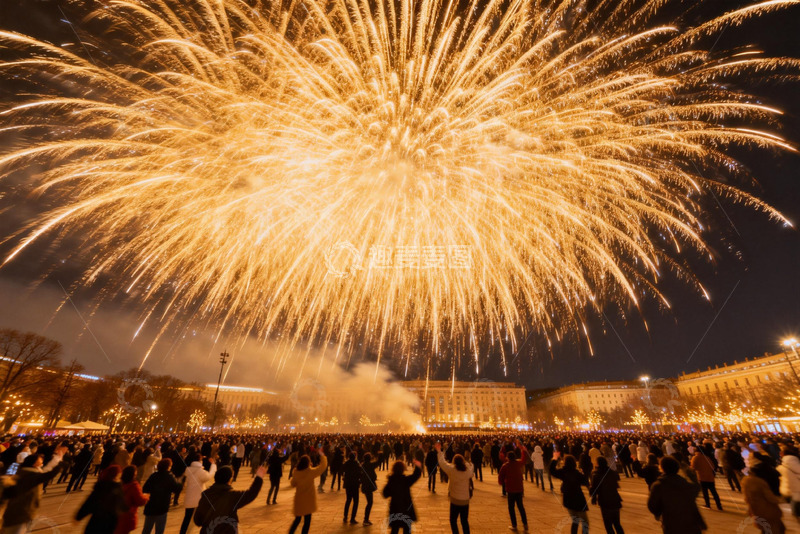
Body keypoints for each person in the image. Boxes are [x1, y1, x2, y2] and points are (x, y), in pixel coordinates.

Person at [2, 446, 65, 533]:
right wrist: (60, 463)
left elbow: (47, 470)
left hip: (20, 511)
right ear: (34, 463)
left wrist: (58, 460)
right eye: (40, 460)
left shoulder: (27, 472)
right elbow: (48, 475)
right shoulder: (30, 475)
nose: (42, 461)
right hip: (20, 513)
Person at [194, 465, 265, 534]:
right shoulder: (232, 496)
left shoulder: (206, 494)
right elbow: (250, 494)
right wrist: (259, 478)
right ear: (229, 479)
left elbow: (197, 520)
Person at [646, 456, 706, 534]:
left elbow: (652, 505)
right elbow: (696, 489)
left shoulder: (658, 485)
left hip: (671, 523)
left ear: (662, 468)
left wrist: (659, 513)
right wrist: (690, 474)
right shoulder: (684, 483)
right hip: (691, 523)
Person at [75, 465, 128, 534]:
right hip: (109, 523)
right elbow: (123, 506)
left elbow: (89, 503)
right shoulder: (117, 488)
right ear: (116, 476)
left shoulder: (102, 486)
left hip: (97, 521)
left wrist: (79, 516)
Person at [437, 442, 473, 534]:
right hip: (465, 500)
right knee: (464, 521)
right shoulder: (467, 471)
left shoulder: (452, 470)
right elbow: (471, 466)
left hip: (455, 499)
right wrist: (467, 462)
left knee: (453, 520)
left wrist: (439, 451)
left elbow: (442, 463)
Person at [549, 453, 589, 534]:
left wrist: (554, 459)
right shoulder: (577, 473)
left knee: (575, 521)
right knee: (585, 522)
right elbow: (585, 482)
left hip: (568, 499)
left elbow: (552, 471)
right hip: (578, 499)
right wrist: (584, 473)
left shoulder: (563, 472)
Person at [288, 453, 328, 534]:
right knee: (307, 521)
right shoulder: (310, 472)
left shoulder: (296, 472)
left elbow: (293, 484)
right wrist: (323, 456)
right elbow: (322, 467)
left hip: (299, 500)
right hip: (308, 500)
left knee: (297, 519)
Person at [142, 459, 182, 534]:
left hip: (151, 505)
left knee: (147, 529)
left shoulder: (154, 475)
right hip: (162, 506)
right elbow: (176, 489)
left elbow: (145, 488)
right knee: (159, 530)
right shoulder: (170, 477)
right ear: (168, 467)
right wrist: (179, 483)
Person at [180, 452, 217, 534]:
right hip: (199, 499)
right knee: (204, 518)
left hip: (189, 498)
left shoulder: (188, 470)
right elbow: (209, 476)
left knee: (187, 518)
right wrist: (213, 465)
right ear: (200, 461)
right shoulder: (200, 471)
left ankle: (183, 532)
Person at [383, 459, 422, 534]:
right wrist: (418, 465)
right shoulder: (406, 480)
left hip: (395, 508)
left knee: (394, 529)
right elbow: (416, 475)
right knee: (407, 529)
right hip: (406, 508)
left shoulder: (392, 481)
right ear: (403, 469)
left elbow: (385, 494)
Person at [743, 467, 786, 534]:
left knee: (765, 528)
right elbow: (770, 497)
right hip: (767, 509)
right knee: (778, 528)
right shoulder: (760, 482)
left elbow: (747, 498)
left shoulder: (745, 481)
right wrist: (779, 500)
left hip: (755, 510)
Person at [590, 456, 624, 534]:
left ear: (597, 464)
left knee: (608, 525)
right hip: (615, 500)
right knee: (617, 524)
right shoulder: (612, 472)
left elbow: (594, 489)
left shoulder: (596, 474)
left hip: (605, 502)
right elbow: (616, 484)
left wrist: (593, 497)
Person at [499, 448, 528, 532]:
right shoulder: (518, 463)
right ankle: (525, 523)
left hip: (511, 489)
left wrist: (502, 482)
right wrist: (523, 451)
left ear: (508, 457)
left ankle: (514, 525)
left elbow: (501, 476)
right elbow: (524, 459)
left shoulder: (505, 466)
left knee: (511, 508)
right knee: (521, 507)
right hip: (519, 489)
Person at [115, 465, 149, 534]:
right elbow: (140, 501)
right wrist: (146, 496)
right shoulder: (134, 486)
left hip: (117, 514)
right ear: (134, 475)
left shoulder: (119, 484)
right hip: (128, 515)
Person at [778, 445, 800, 523]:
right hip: (796, 488)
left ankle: (796, 516)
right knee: (796, 504)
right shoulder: (794, 462)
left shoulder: (784, 463)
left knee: (794, 504)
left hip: (788, 488)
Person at [360, 452, 382, 526]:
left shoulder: (362, 465)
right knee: (370, 502)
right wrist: (380, 455)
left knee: (369, 502)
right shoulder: (370, 465)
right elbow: (378, 462)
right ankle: (366, 519)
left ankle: (366, 519)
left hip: (364, 485)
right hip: (369, 486)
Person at [342, 452, 361, 524]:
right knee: (355, 501)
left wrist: (344, 477)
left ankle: (345, 516)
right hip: (355, 484)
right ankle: (352, 518)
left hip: (348, 484)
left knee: (348, 500)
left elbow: (342, 470)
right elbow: (360, 473)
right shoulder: (356, 464)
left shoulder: (346, 463)